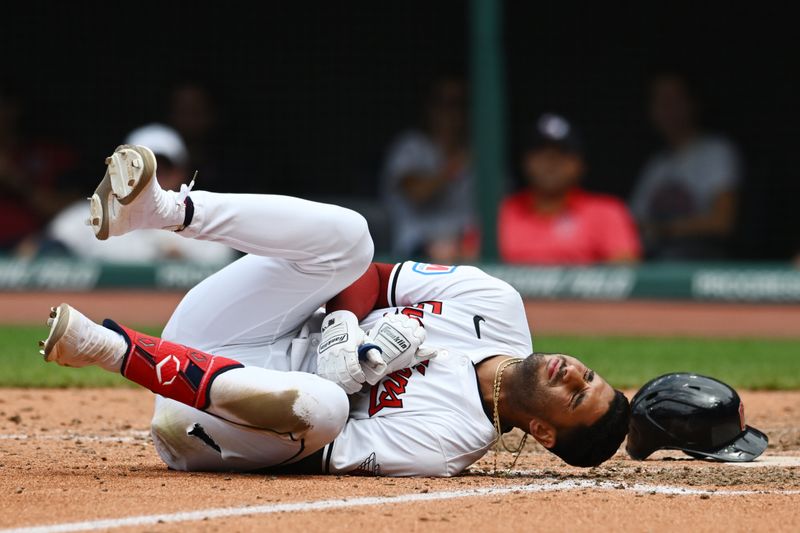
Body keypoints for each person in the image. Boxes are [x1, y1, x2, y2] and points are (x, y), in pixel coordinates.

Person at [38, 144, 629, 476]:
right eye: (591, 376)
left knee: (318, 407)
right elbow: (367, 277)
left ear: (544, 431)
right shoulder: (498, 305)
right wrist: (345, 329)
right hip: (225, 330)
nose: (575, 372)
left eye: (577, 396)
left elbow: (307, 447)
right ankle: (162, 210)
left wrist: (345, 375)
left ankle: (106, 348)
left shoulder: (448, 445)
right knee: (352, 237)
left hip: (202, 425)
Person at [45, 124, 235, 264]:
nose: (150, 180)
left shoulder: (204, 222)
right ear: (119, 171)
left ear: (181, 173)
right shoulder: (89, 215)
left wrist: (181, 263)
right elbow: (40, 254)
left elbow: (223, 268)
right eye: (139, 169)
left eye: (161, 169)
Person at [499, 113, 640, 264]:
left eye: (562, 153)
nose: (550, 163)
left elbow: (625, 272)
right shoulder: (501, 213)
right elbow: (471, 261)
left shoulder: (607, 212)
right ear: (525, 161)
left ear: (580, 164)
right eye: (540, 153)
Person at [630, 71, 742, 259]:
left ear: (692, 103)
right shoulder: (656, 164)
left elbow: (722, 222)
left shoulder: (716, 151)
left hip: (699, 259)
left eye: (673, 99)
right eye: (660, 101)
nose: (667, 108)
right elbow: (633, 222)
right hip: (653, 257)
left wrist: (663, 229)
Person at [381, 77, 477, 263]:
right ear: (429, 107)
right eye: (444, 103)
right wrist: (453, 167)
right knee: (441, 252)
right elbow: (417, 192)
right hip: (417, 249)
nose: (452, 112)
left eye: (459, 104)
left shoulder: (480, 151)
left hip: (469, 247)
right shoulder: (410, 146)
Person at [0, 84, 79, 251]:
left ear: (12, 108)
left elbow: (81, 214)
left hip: (31, 251)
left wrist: (15, 180)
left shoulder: (49, 154)